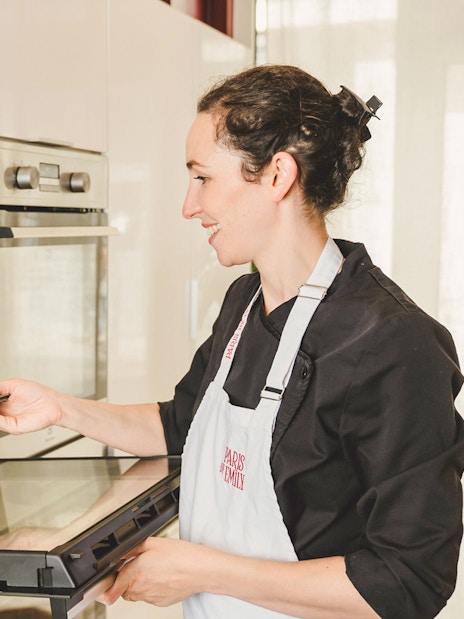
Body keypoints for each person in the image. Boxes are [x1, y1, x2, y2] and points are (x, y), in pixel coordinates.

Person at [0, 64, 463, 619]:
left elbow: (408, 582)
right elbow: (181, 425)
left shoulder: (394, 345)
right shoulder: (244, 302)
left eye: (202, 177)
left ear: (276, 177)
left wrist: (201, 570)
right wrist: (60, 409)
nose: (188, 206)